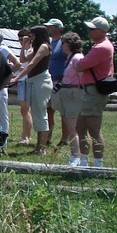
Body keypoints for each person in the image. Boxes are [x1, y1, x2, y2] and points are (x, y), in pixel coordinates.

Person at [73, 16, 115, 168]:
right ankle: (84, 160)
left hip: (93, 91)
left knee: (94, 129)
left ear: (101, 31)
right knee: (80, 127)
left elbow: (80, 65)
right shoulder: (101, 45)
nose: (88, 31)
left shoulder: (101, 47)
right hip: (91, 90)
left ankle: (98, 164)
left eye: (92, 29)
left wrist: (81, 63)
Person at [10, 25, 54, 155]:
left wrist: (17, 77)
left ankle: (41, 148)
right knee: (36, 113)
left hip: (41, 81)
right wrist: (24, 46)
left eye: (33, 35)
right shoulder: (37, 47)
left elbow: (31, 64)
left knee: (40, 114)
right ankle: (39, 147)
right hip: (33, 81)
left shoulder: (44, 46)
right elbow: (23, 60)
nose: (31, 38)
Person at [55, 32, 86, 166]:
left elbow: (82, 78)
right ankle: (76, 155)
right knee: (69, 125)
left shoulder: (77, 58)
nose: (61, 46)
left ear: (69, 44)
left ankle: (77, 156)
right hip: (66, 92)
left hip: (74, 93)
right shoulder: (69, 58)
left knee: (73, 127)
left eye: (63, 43)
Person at [44, 18, 72, 148]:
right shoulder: (49, 42)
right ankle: (47, 137)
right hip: (49, 80)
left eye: (51, 26)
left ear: (58, 28)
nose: (49, 28)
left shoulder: (64, 43)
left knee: (62, 111)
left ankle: (65, 138)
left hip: (60, 80)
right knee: (48, 110)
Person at [15, 27, 34, 144]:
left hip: (26, 80)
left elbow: (23, 62)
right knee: (24, 110)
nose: (21, 41)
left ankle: (26, 136)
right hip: (22, 80)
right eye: (20, 39)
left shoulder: (32, 50)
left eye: (23, 39)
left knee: (25, 109)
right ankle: (26, 134)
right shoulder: (25, 50)